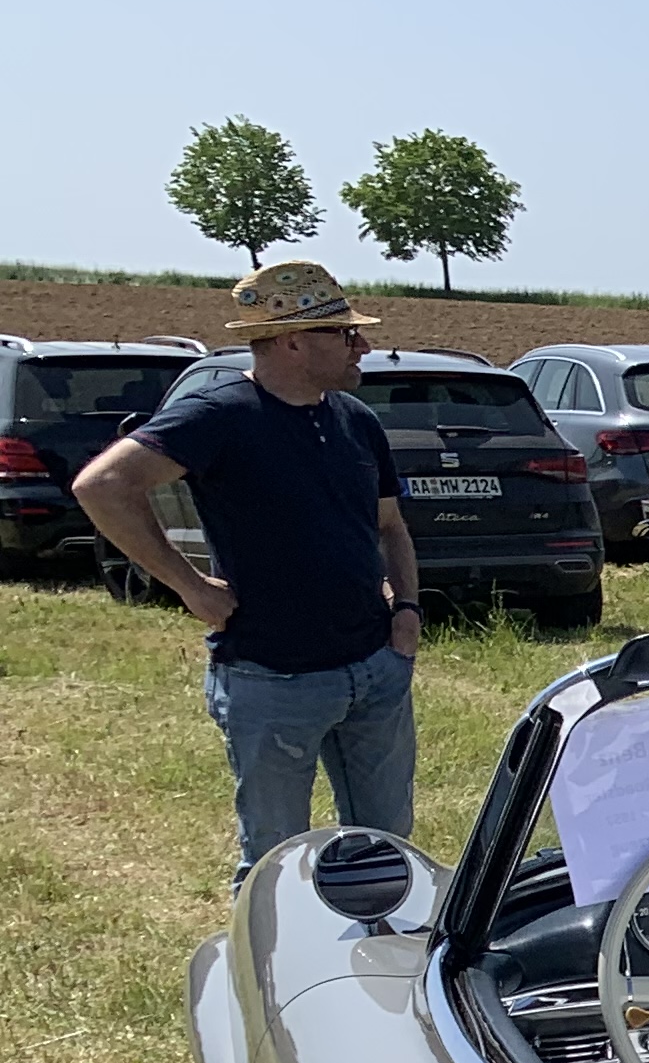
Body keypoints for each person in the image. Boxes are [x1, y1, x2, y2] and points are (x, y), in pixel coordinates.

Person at [71, 258, 420, 881]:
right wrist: (189, 586)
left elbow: (390, 525)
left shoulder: (356, 420)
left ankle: (380, 945)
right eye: (345, 334)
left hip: (374, 669)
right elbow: (103, 485)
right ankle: (268, 948)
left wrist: (408, 613)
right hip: (273, 678)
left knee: (386, 853)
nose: (362, 346)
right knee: (273, 863)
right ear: (291, 342)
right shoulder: (219, 414)